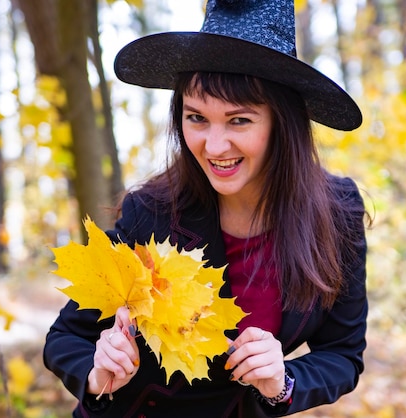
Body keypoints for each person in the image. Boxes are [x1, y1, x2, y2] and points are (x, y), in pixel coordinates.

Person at [43, 0, 368, 417]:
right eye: (197, 117)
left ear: (281, 123)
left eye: (239, 121)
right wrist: (96, 369)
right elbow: (66, 336)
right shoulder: (153, 213)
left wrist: (283, 381)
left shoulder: (337, 214)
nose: (213, 147)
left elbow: (342, 354)